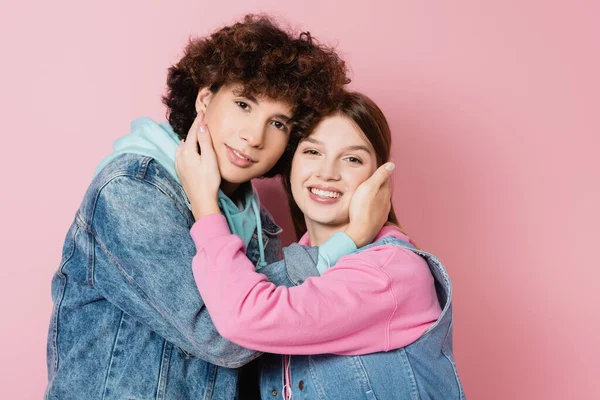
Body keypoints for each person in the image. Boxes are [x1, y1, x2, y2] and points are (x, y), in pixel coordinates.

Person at [45, 15, 351, 399]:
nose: (253, 136)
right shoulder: (132, 191)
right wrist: (340, 249)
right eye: (243, 104)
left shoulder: (256, 221)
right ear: (205, 98)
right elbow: (229, 336)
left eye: (278, 123)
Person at [176, 91, 466, 399]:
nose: (328, 173)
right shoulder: (293, 270)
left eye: (352, 159)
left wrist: (205, 204)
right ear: (290, 165)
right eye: (313, 152)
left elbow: (244, 319)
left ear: (379, 178)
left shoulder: (390, 270)